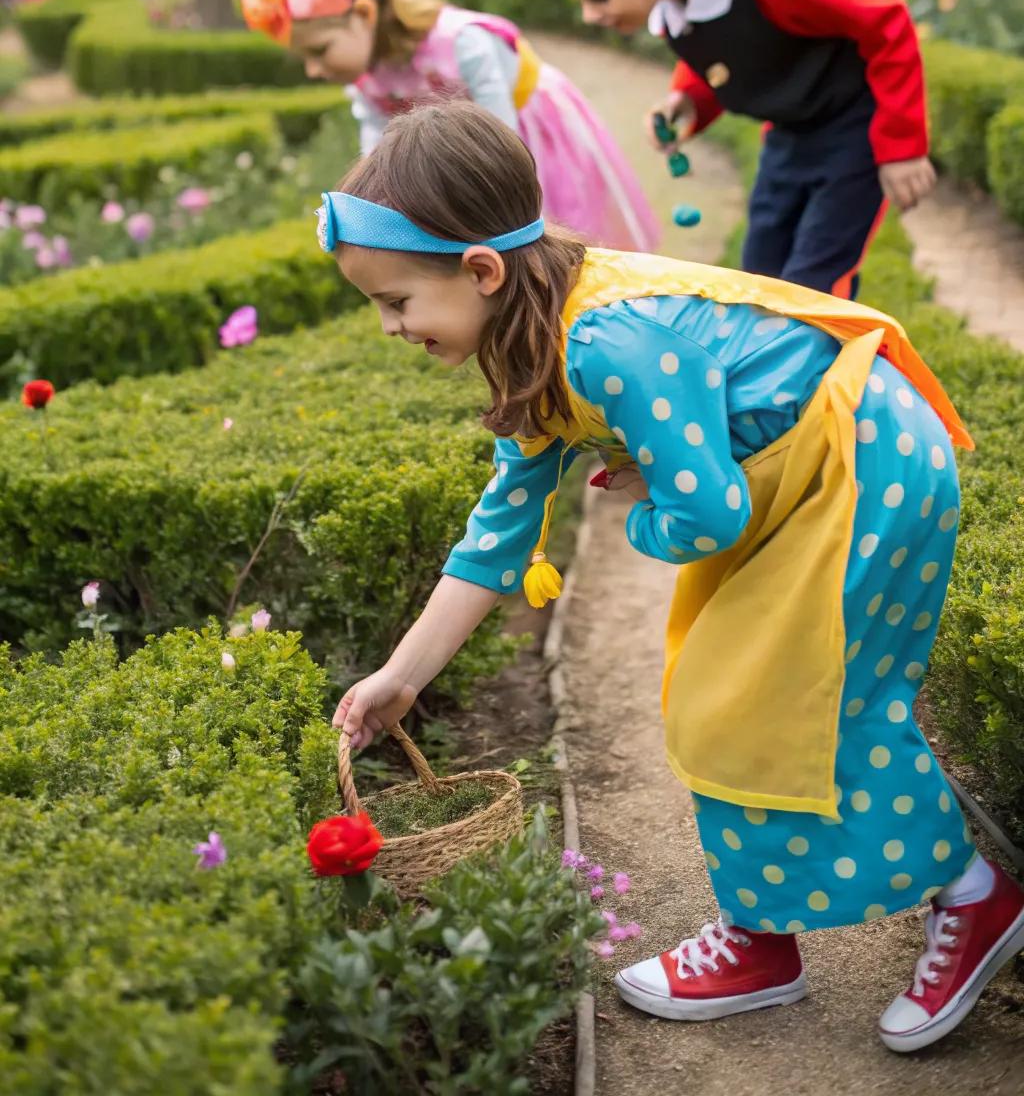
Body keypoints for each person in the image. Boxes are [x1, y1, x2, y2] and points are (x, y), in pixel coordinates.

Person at [322, 101, 1023, 1055]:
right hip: (805, 476)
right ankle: (760, 942)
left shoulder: (605, 343)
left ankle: (975, 901)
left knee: (828, 699)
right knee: (721, 697)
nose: (391, 327)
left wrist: (638, 498)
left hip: (863, 469)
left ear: (482, 270)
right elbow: (499, 536)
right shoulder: (534, 334)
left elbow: (706, 516)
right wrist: (402, 679)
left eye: (395, 301)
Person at [534, 0, 937, 299]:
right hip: (788, 133)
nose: (590, 15)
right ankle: (777, 355)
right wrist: (687, 100)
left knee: (816, 280)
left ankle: (833, 364)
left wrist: (902, 148)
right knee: (761, 269)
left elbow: (886, 21)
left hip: (853, 129)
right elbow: (720, 48)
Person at [240, 0, 659, 252]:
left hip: (527, 134)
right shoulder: (366, 77)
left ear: (364, 15)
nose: (315, 70)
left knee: (557, 225)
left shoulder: (461, 42)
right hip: (470, 147)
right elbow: (378, 146)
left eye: (319, 51)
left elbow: (502, 137)